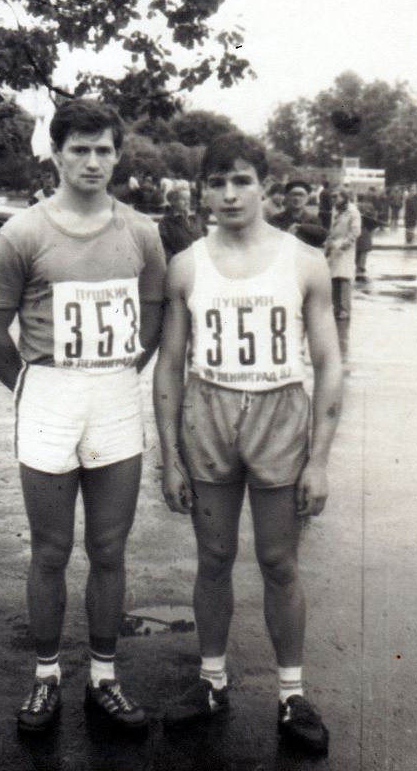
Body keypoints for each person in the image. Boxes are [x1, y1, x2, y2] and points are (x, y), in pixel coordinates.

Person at [0, 98, 166, 733]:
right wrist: (32, 389)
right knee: (51, 550)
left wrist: (118, 375)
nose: (92, 161)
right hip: (48, 393)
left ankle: (104, 678)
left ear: (117, 155)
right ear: (56, 154)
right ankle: (46, 676)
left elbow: (154, 317)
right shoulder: (22, 234)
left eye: (103, 149)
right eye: (79, 149)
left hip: (113, 394)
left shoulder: (141, 232)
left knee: (109, 546)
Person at [153, 132, 343, 756]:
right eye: (217, 182)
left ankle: (292, 693)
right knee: (213, 557)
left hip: (278, 412)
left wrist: (319, 460)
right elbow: (170, 365)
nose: (230, 194)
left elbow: (329, 364)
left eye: (242, 181)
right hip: (208, 413)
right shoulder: (187, 264)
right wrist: (170, 456)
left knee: (279, 561)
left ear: (265, 186)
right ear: (203, 191)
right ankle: (211, 681)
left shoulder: (304, 261)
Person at [324, 185, 361, 321]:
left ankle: (345, 310)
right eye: (332, 197)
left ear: (344, 197)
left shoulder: (352, 211)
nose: (333, 199)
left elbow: (355, 231)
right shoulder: (335, 209)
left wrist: (346, 244)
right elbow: (331, 229)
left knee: (344, 278)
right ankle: (336, 308)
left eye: (336, 196)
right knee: (334, 278)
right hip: (334, 247)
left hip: (345, 249)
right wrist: (328, 245)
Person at [269, 180, 328, 248]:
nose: (297, 198)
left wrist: (301, 227)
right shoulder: (276, 220)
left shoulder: (313, 220)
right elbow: (270, 244)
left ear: (307, 198)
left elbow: (322, 238)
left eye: (301, 195)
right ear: (287, 197)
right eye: (293, 194)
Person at [158, 186, 201, 262]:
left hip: (198, 261)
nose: (187, 202)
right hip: (179, 263)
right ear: (173, 201)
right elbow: (164, 248)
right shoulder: (165, 222)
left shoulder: (195, 218)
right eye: (183, 199)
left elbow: (204, 240)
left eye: (188, 199)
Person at [355, 193, 377, 278]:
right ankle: (361, 266)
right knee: (364, 250)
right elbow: (374, 217)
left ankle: (357, 265)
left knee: (358, 249)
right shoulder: (369, 205)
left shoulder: (355, 206)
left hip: (357, 228)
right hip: (366, 228)